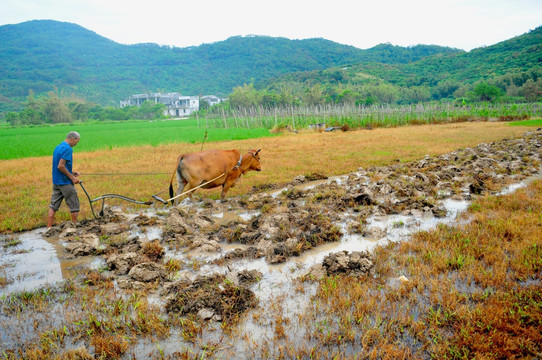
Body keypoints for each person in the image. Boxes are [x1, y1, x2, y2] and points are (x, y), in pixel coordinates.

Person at [47, 131, 81, 228]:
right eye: (77, 141)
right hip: (65, 182)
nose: (76, 144)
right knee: (74, 204)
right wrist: (72, 178)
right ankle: (74, 226)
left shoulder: (58, 147)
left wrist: (71, 171)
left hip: (56, 182)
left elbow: (61, 165)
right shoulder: (68, 149)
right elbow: (60, 166)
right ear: (72, 139)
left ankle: (49, 228)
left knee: (53, 206)